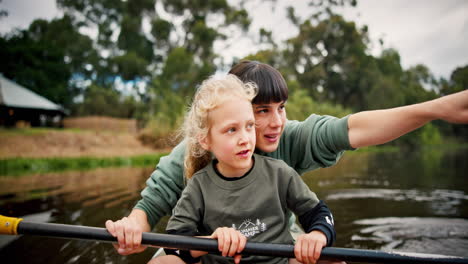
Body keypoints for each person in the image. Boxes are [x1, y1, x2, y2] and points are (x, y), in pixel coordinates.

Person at [106, 60, 468, 258]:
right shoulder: (194, 152)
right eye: (262, 110)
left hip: (271, 241)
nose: (276, 121)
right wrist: (135, 227)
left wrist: (438, 108)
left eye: (281, 108)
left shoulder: (286, 137)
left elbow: (354, 128)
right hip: (206, 246)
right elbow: (150, 207)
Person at [149, 74, 335, 264]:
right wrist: (212, 241)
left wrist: (317, 236)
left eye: (249, 126)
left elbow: (320, 214)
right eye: (232, 130)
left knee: (333, 262)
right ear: (205, 140)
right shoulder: (198, 186)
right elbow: (174, 243)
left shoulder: (280, 173)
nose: (245, 138)